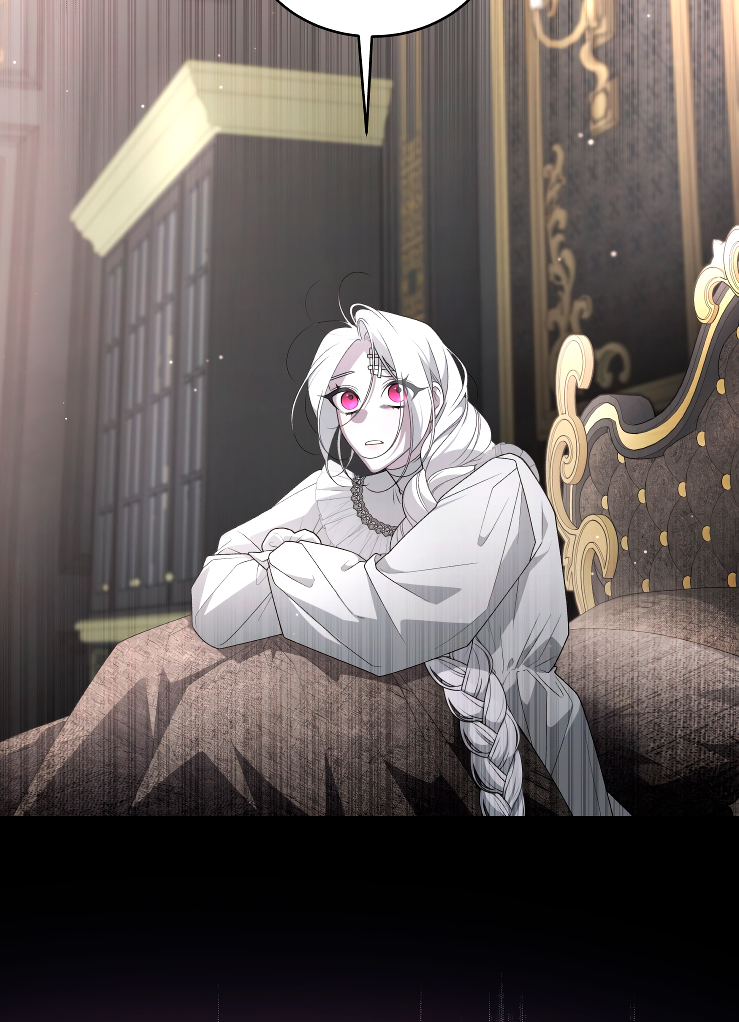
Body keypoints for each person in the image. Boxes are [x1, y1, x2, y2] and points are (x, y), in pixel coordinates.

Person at [191, 306, 624, 821]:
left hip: (525, 750)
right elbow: (213, 598)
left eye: (393, 392)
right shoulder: (335, 496)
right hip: (383, 751)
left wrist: (286, 562)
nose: (367, 421)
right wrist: (312, 582)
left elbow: (395, 622)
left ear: (433, 395)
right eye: (349, 398)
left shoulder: (498, 486)